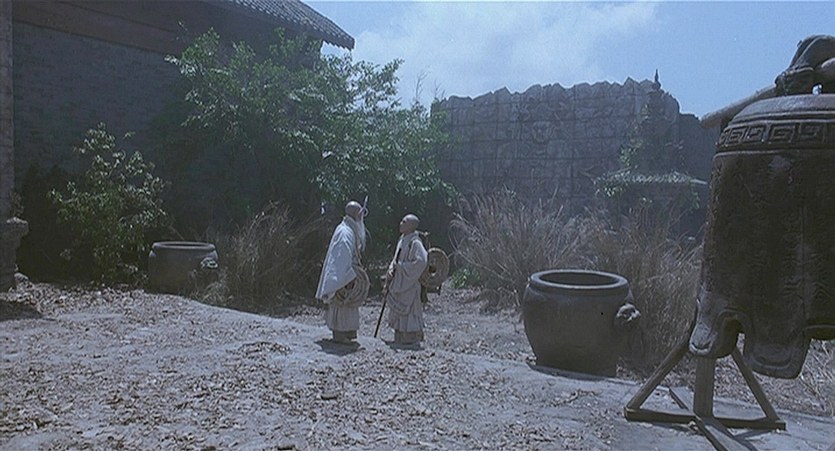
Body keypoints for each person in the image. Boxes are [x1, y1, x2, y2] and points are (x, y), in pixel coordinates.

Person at [315, 200, 367, 343]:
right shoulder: (345, 232)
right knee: (341, 302)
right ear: (356, 214)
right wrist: (348, 276)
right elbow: (341, 257)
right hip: (345, 276)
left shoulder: (349, 229)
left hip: (350, 274)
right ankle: (340, 334)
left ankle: (348, 332)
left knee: (348, 305)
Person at [385, 214, 428, 345]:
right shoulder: (402, 239)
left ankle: (411, 337)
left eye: (404, 222)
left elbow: (422, 261)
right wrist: (392, 269)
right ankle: (400, 334)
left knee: (410, 312)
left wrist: (402, 267)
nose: (401, 223)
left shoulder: (415, 243)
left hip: (409, 284)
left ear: (411, 226)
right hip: (399, 282)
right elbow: (395, 259)